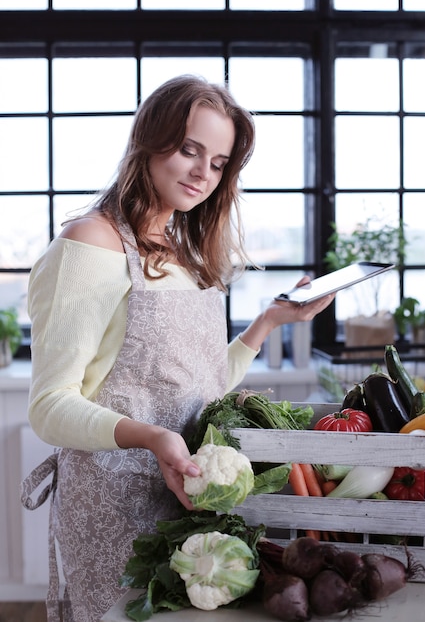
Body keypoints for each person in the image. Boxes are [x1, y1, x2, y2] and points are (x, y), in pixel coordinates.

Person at [21, 74, 334, 622]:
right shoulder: (90, 243)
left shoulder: (184, 253)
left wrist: (267, 322)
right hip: (112, 509)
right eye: (190, 149)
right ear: (149, 139)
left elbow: (196, 385)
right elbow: (49, 406)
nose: (202, 173)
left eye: (218, 162)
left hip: (187, 501)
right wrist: (153, 437)